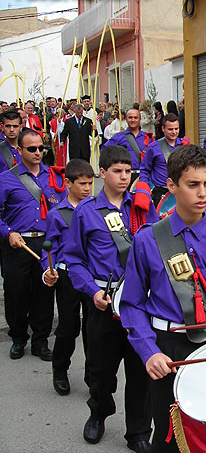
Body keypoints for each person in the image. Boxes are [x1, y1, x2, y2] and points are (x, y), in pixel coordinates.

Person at [121, 144, 206, 452]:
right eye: (193, 185)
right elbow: (131, 303)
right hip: (169, 349)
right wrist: (149, 352)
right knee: (172, 434)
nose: (203, 194)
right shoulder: (148, 239)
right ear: (171, 186)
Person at [66, 145, 158, 450]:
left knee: (140, 371)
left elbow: (159, 250)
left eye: (128, 171)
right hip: (103, 304)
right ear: (101, 174)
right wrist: (92, 292)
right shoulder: (86, 211)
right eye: (116, 171)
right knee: (101, 370)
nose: (123, 177)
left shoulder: (143, 207)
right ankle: (98, 413)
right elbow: (74, 259)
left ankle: (139, 432)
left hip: (139, 306)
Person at [0, 128, 67, 361]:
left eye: (41, 148)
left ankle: (40, 340)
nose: (38, 152)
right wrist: (8, 232)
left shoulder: (54, 177)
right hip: (17, 243)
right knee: (16, 293)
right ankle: (18, 337)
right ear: (19, 150)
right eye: (32, 149)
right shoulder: (7, 178)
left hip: (46, 243)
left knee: (45, 293)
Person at [41, 159, 95, 396]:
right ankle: (60, 369)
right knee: (68, 327)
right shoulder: (57, 214)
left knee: (92, 329)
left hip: (92, 276)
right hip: (67, 275)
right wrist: (48, 270)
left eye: (91, 184)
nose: (87, 188)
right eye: (82, 184)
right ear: (68, 183)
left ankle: (92, 374)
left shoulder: (96, 210)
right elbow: (48, 247)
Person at [140, 113, 190, 206]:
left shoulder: (184, 146)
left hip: (181, 191)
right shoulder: (153, 147)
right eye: (170, 129)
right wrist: (144, 189)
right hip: (161, 192)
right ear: (163, 129)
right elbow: (144, 169)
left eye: (176, 129)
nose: (174, 132)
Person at [104, 108, 155, 184]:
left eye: (135, 118)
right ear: (126, 119)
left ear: (140, 119)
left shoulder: (148, 137)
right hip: (124, 176)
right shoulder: (119, 137)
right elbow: (105, 151)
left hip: (143, 177)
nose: (133, 120)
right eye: (130, 117)